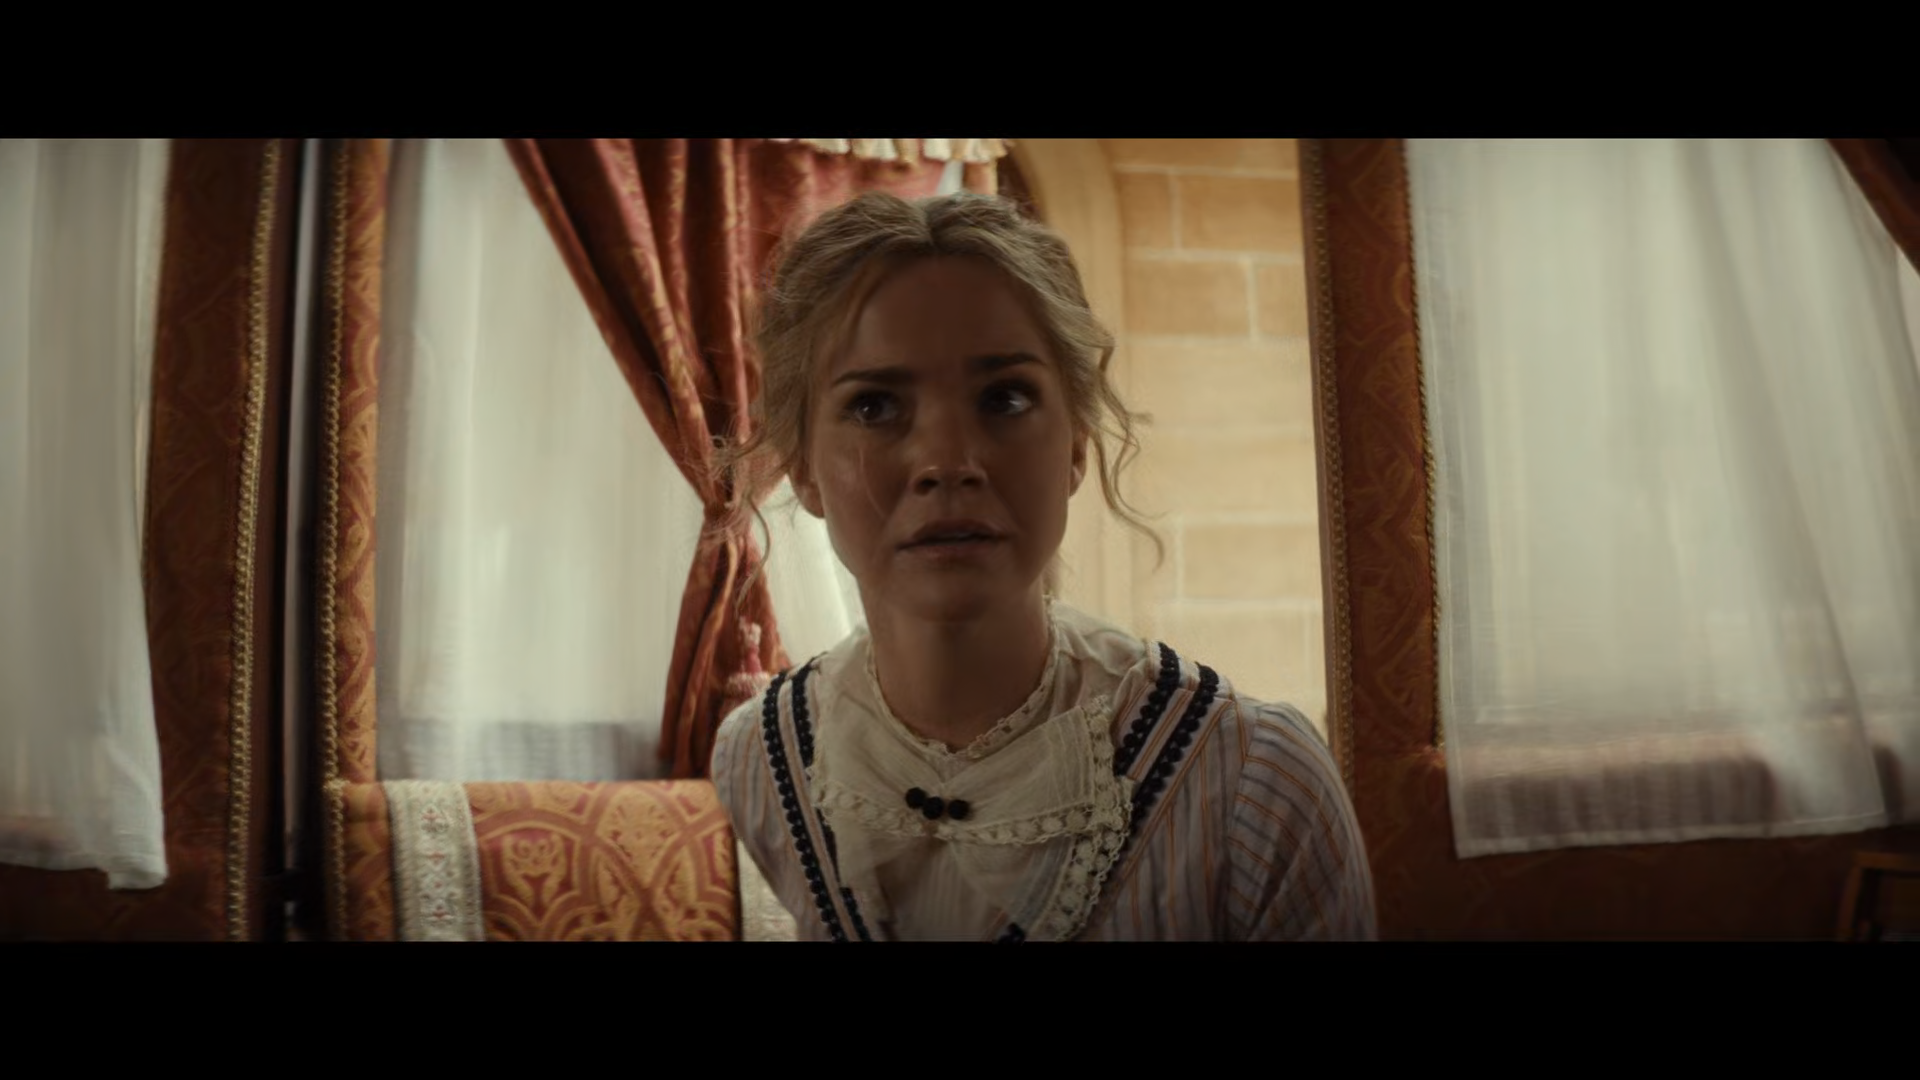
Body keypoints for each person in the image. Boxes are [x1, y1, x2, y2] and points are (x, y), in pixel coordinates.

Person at [710, 191, 1375, 941]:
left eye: (1004, 398)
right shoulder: (759, 764)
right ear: (802, 467)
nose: (946, 460)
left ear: (1076, 445)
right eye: (874, 407)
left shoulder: (1254, 785)